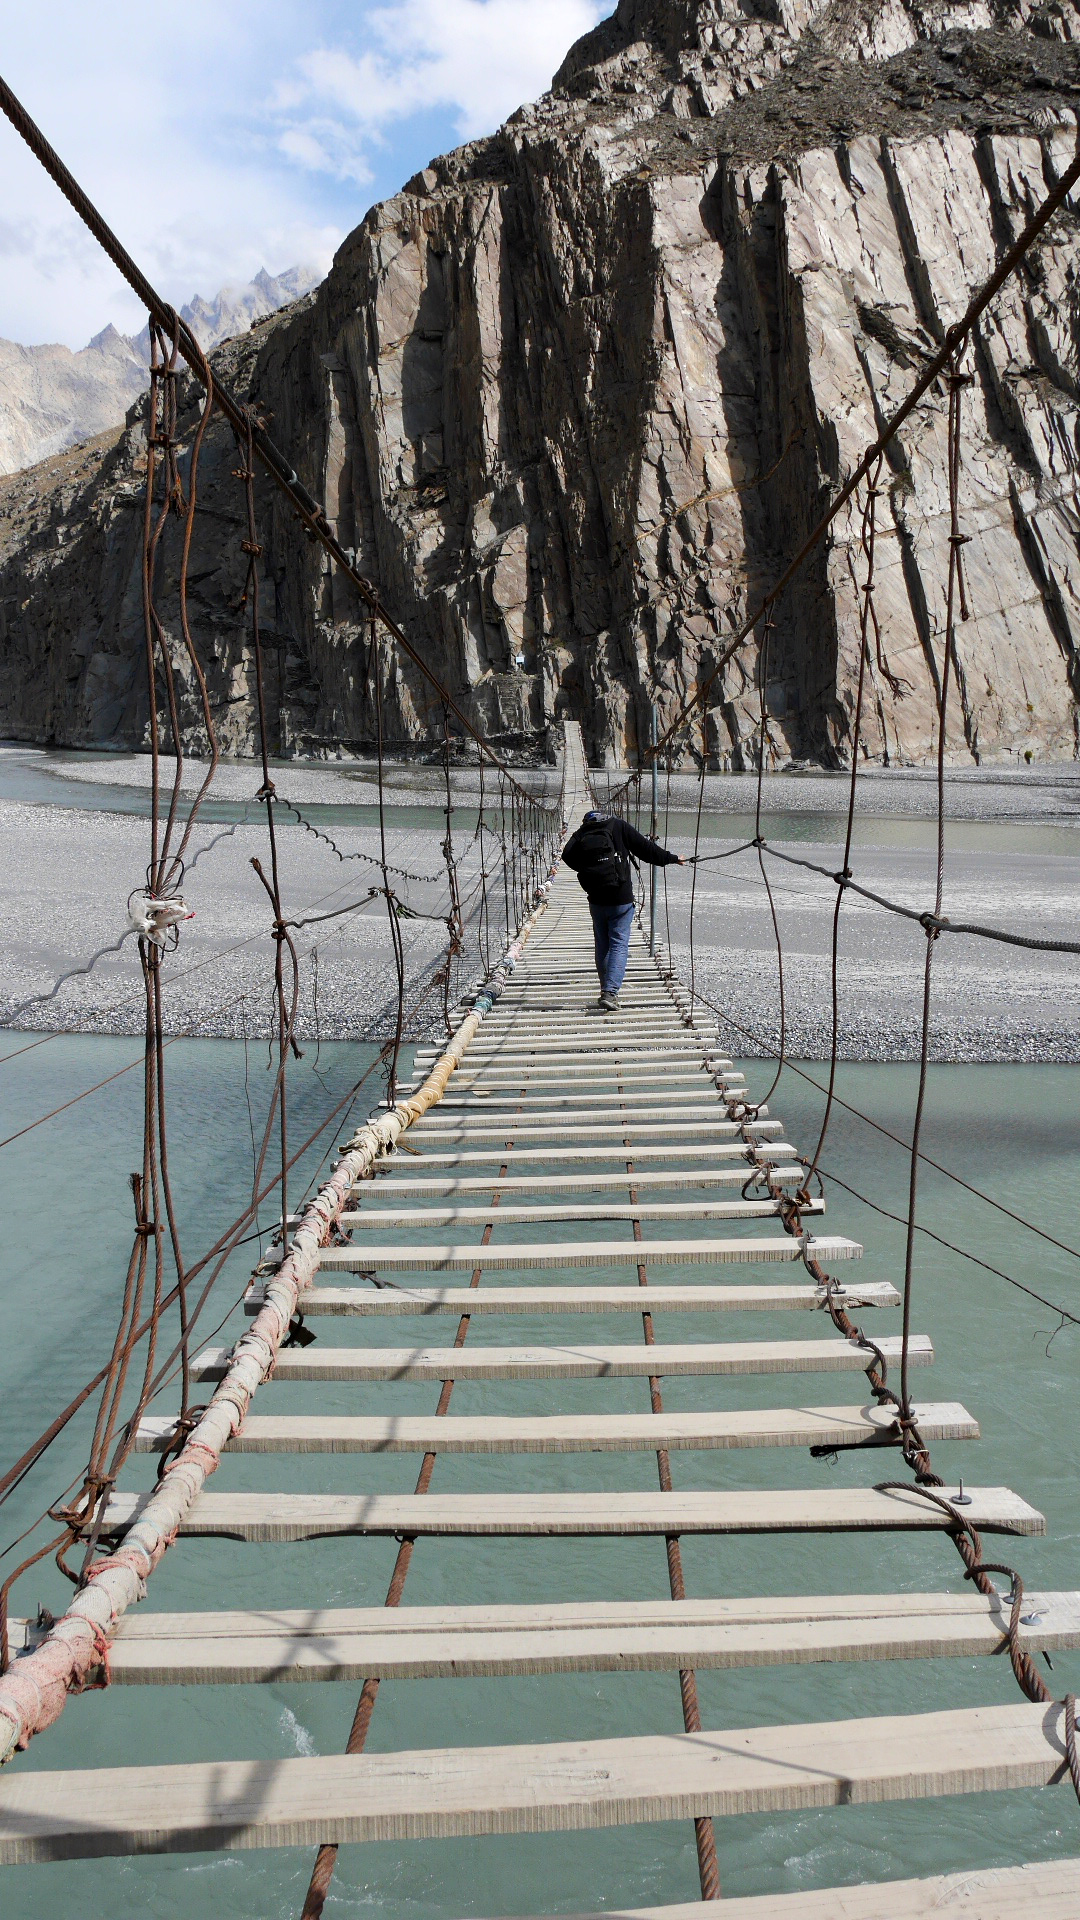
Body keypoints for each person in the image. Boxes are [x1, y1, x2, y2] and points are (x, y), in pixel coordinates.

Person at [561, 808, 685, 1012]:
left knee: (602, 944)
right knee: (619, 943)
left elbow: (567, 855)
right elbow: (647, 850)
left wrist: (587, 869)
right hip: (620, 897)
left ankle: (606, 990)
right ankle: (610, 993)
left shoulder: (583, 831)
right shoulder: (618, 826)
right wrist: (671, 858)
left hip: (596, 898)